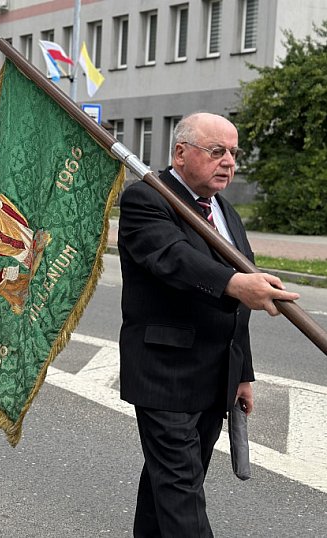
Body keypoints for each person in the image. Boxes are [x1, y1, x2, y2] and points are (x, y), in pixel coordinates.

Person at [117, 112, 300, 537]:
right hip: (166, 374)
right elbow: (173, 259)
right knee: (182, 492)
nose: (229, 162)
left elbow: (243, 299)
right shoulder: (147, 198)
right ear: (181, 153)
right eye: (217, 151)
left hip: (215, 375)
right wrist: (234, 283)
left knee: (171, 483)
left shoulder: (223, 209)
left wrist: (244, 374)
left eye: (234, 153)